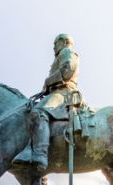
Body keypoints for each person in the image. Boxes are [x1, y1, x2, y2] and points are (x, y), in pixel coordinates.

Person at [28, 33, 80, 171]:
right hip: (56, 92)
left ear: (63, 42)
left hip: (63, 92)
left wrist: (47, 82)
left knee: (39, 113)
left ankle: (40, 155)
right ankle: (42, 178)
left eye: (54, 43)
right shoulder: (61, 53)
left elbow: (68, 69)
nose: (53, 47)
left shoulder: (66, 51)